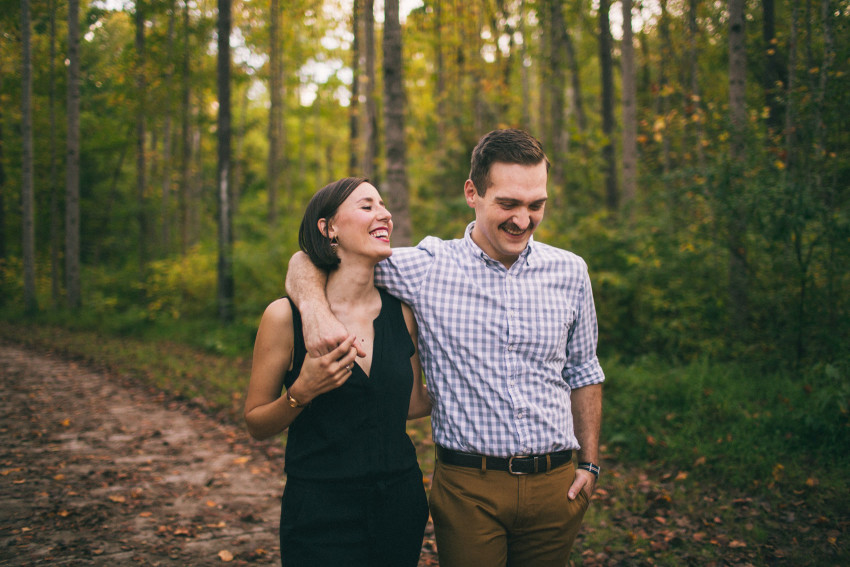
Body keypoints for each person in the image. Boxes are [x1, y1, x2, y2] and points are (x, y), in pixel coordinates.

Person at [285, 129, 605, 566]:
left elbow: (584, 371)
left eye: (536, 205)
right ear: (472, 193)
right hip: (468, 486)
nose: (523, 219)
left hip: (556, 485)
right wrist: (314, 311)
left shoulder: (570, 271)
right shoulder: (425, 268)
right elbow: (313, 256)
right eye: (508, 204)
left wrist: (589, 464)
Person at [244, 177, 431, 567]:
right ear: (328, 228)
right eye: (367, 206)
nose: (384, 214)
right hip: (319, 509)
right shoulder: (284, 317)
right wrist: (302, 391)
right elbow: (256, 423)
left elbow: (412, 404)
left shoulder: (404, 314)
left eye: (383, 206)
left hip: (399, 501)